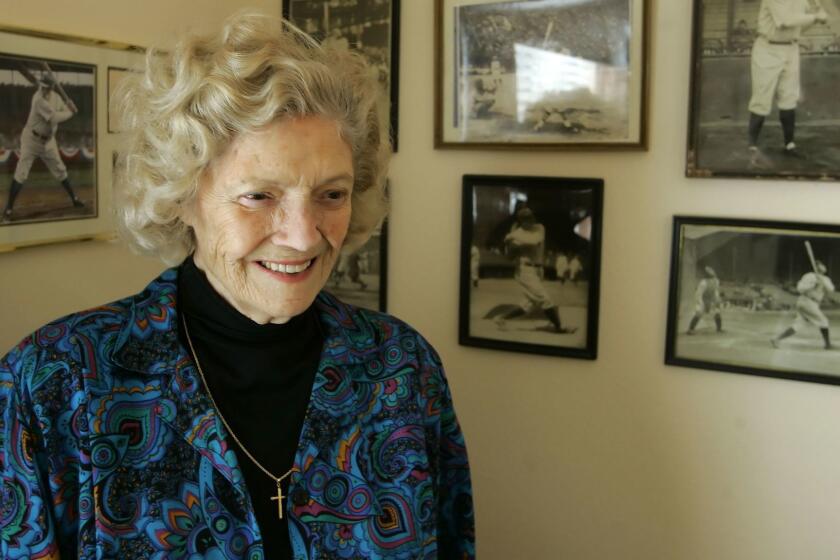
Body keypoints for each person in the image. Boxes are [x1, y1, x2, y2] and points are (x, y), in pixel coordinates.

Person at [0, 13, 474, 560]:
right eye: (259, 196)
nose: (301, 238)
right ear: (182, 197)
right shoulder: (54, 384)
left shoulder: (402, 369)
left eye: (331, 194)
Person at [747, 0, 828, 156]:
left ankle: (789, 144)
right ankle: (752, 145)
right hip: (768, 48)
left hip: (791, 48)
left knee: (789, 96)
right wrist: (815, 16)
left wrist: (816, 19)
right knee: (761, 98)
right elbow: (785, 21)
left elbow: (800, 27)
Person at [3, 74, 84, 221]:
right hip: (31, 140)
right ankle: (8, 207)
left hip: (48, 142)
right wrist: (70, 112)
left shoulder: (56, 97)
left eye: (47, 87)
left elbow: (63, 109)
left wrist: (69, 106)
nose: (44, 89)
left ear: (52, 87)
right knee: (21, 173)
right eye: (43, 86)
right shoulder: (38, 99)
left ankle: (75, 198)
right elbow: (54, 118)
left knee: (60, 169)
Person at [494, 206, 574, 334]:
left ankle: (500, 318)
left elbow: (535, 241)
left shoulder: (539, 228)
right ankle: (559, 327)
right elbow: (509, 257)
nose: (531, 220)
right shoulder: (517, 233)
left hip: (538, 270)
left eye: (531, 217)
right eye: (527, 218)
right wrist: (509, 245)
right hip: (525, 270)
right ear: (521, 220)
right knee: (545, 299)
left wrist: (511, 236)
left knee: (529, 304)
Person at [771, 260, 835, 349]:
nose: (823, 267)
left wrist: (821, 281)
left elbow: (831, 289)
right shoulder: (809, 276)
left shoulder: (826, 279)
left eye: (823, 265)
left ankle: (776, 339)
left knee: (798, 325)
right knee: (824, 321)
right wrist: (812, 285)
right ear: (816, 267)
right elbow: (800, 288)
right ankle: (827, 345)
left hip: (813, 303)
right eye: (820, 265)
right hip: (806, 301)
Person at [686, 266, 724, 334]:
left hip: (711, 299)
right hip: (702, 299)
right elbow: (698, 294)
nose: (713, 277)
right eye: (711, 275)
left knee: (717, 312)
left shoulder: (716, 281)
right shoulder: (703, 283)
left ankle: (719, 329)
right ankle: (690, 329)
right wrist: (702, 303)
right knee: (699, 313)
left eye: (713, 275)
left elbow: (715, 291)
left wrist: (717, 300)